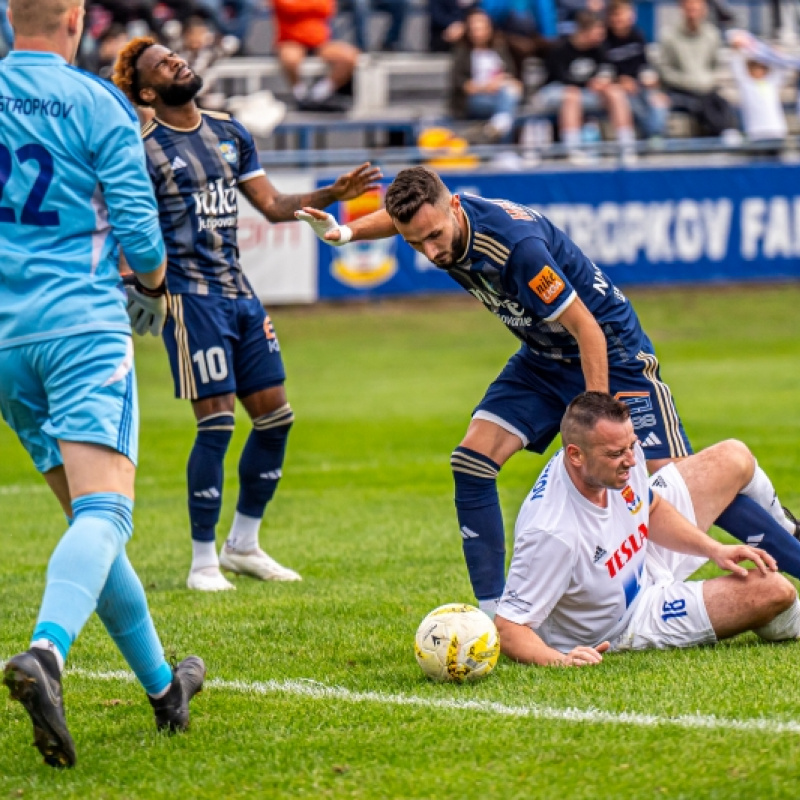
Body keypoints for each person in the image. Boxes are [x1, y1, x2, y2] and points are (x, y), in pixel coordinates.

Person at [297, 166, 800, 616]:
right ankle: (494, 616)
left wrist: (598, 419)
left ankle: (785, 543)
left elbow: (589, 332)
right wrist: (345, 232)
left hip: (612, 354)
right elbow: (399, 218)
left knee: (669, 483)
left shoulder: (518, 250)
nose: (430, 252)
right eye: (415, 243)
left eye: (433, 237)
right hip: (541, 358)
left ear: (454, 207)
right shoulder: (437, 217)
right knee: (471, 462)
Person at [0, 0, 204, 769]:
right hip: (82, 330)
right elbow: (143, 238)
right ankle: (46, 654)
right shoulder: (98, 103)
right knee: (106, 516)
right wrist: (152, 288)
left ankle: (164, 689)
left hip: (7, 343)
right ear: (77, 18)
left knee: (91, 523)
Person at [112, 38, 381, 592]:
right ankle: (201, 560)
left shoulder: (229, 131)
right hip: (188, 299)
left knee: (276, 418)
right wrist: (135, 286)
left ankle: (243, 545)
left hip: (239, 291)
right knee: (216, 423)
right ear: (146, 91)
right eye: (163, 64)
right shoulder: (141, 149)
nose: (177, 62)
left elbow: (274, 205)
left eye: (175, 56)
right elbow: (128, 228)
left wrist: (335, 191)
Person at [495, 393, 800, 665]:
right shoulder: (551, 533)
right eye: (617, 454)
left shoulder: (618, 455)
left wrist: (714, 549)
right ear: (575, 455)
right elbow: (508, 627)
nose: (631, 460)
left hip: (640, 551)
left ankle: (790, 532)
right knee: (774, 591)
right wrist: (559, 660)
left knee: (734, 456)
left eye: (632, 446)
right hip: (628, 618)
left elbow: (650, 506)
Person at [537, 11, 637, 162]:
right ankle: (572, 150)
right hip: (555, 92)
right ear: (583, 31)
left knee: (615, 92)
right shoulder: (560, 49)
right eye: (597, 32)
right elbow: (562, 78)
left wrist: (603, 82)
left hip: (588, 93)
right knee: (572, 94)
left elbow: (608, 70)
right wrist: (588, 83)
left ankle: (626, 146)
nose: (601, 36)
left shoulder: (599, 48)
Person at [658, 0, 740, 140]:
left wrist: (707, 80)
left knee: (723, 103)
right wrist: (686, 81)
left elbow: (714, 65)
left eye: (696, 9)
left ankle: (730, 135)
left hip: (706, 89)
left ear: (703, 11)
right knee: (701, 104)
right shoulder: (669, 36)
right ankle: (723, 136)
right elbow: (664, 69)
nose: (692, 14)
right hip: (680, 90)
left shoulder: (712, 35)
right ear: (682, 9)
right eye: (689, 9)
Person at [272, 0, 360, 111]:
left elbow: (327, 8)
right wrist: (312, 5)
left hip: (319, 41)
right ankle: (300, 95)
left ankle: (318, 95)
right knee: (290, 59)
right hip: (291, 40)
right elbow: (287, 7)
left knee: (349, 56)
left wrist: (300, 6)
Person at [449, 8, 522, 143]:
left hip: (499, 94)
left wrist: (503, 82)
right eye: (475, 29)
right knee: (507, 105)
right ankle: (503, 148)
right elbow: (462, 85)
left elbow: (509, 74)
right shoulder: (462, 52)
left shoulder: (499, 49)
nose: (478, 33)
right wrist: (486, 87)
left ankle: (497, 127)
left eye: (481, 28)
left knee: (506, 100)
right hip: (474, 100)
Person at [605, 0, 669, 139]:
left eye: (622, 14)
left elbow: (644, 65)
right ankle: (651, 136)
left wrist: (650, 79)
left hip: (639, 84)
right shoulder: (604, 40)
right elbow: (603, 70)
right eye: (615, 15)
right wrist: (619, 80)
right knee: (633, 103)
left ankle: (656, 137)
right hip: (617, 88)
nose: (619, 19)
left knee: (658, 100)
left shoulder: (637, 35)